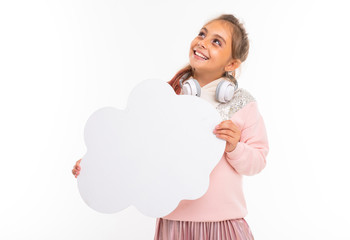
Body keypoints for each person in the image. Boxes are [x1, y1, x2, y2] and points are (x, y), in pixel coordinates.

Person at [72, 13, 269, 240]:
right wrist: (95, 166)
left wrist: (235, 147)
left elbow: (258, 161)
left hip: (223, 223)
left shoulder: (243, 104)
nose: (203, 42)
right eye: (202, 34)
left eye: (216, 41)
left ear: (232, 64)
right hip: (174, 223)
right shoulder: (168, 97)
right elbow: (135, 147)